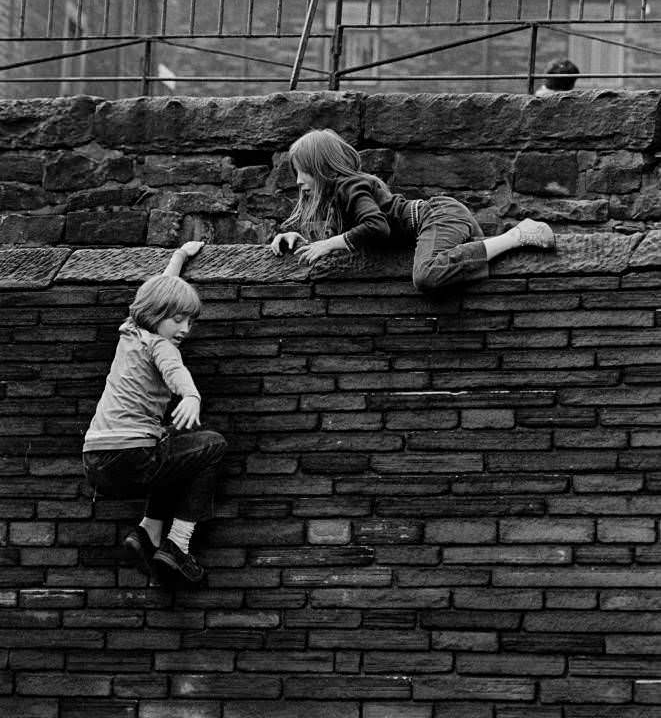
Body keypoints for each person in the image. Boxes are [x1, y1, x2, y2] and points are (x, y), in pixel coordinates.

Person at [82, 241, 226, 583]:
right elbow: (175, 371)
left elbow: (159, 291)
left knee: (172, 449)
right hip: (131, 455)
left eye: (190, 322)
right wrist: (191, 395)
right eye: (178, 320)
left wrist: (178, 258)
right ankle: (178, 544)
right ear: (157, 315)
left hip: (95, 458)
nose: (185, 330)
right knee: (212, 446)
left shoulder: (130, 331)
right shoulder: (161, 345)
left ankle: (148, 531)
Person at [269, 129, 556, 292]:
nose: (298, 182)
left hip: (439, 216)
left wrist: (330, 244)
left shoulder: (349, 186)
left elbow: (376, 227)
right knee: (451, 272)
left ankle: (518, 234)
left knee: (427, 276)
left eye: (303, 172)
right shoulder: (339, 196)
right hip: (441, 219)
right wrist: (297, 238)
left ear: (321, 167)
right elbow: (343, 237)